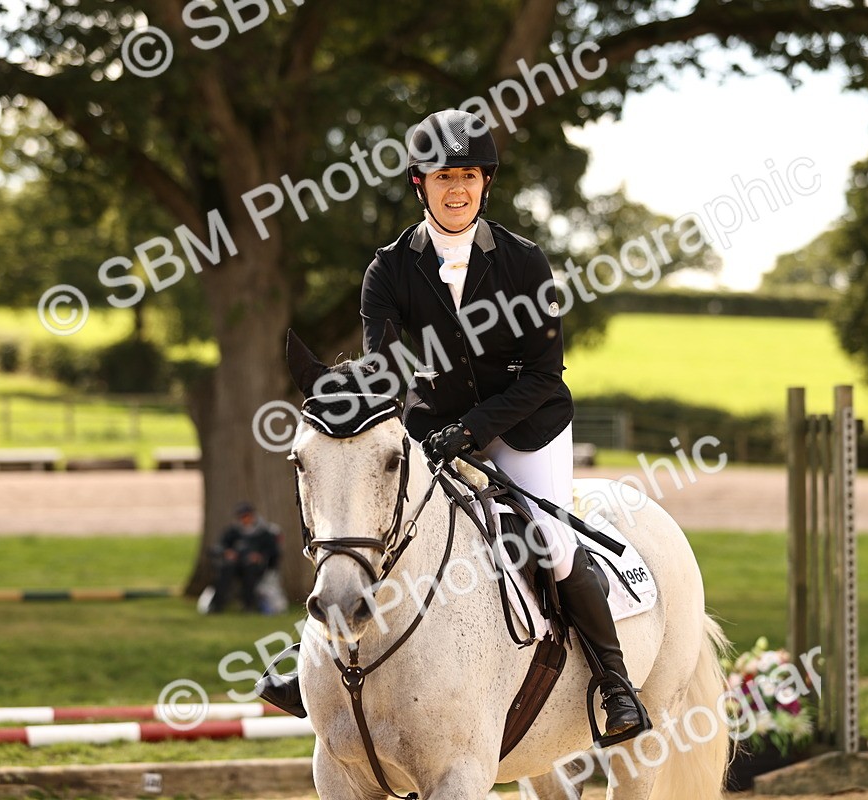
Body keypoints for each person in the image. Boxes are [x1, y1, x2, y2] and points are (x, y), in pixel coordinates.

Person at [259, 109, 649, 746]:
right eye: (444, 177)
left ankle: (614, 680)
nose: (457, 188)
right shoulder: (388, 270)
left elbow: (544, 377)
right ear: (420, 183)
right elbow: (385, 369)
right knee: (372, 516)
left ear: (485, 182)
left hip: (528, 426)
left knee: (549, 541)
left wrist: (468, 432)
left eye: (468, 174)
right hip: (432, 427)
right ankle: (316, 659)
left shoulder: (525, 263)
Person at [208, 502, 281, 613]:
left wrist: (259, 556)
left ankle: (249, 605)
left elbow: (273, 552)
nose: (245, 519)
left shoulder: (263, 533)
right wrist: (228, 553)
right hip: (235, 565)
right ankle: (217, 605)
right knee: (226, 570)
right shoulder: (232, 532)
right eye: (242, 517)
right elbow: (219, 546)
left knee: (250, 572)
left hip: (254, 567)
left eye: (247, 516)